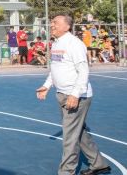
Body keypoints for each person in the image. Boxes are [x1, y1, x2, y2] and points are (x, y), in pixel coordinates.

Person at [36, 15, 110, 175]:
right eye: (52, 23)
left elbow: (83, 71)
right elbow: (55, 68)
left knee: (69, 137)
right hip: (62, 94)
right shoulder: (56, 43)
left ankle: (66, 172)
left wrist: (75, 94)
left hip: (77, 97)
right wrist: (46, 86)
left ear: (67, 27)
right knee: (79, 132)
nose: (52, 25)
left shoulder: (74, 44)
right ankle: (98, 163)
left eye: (55, 23)